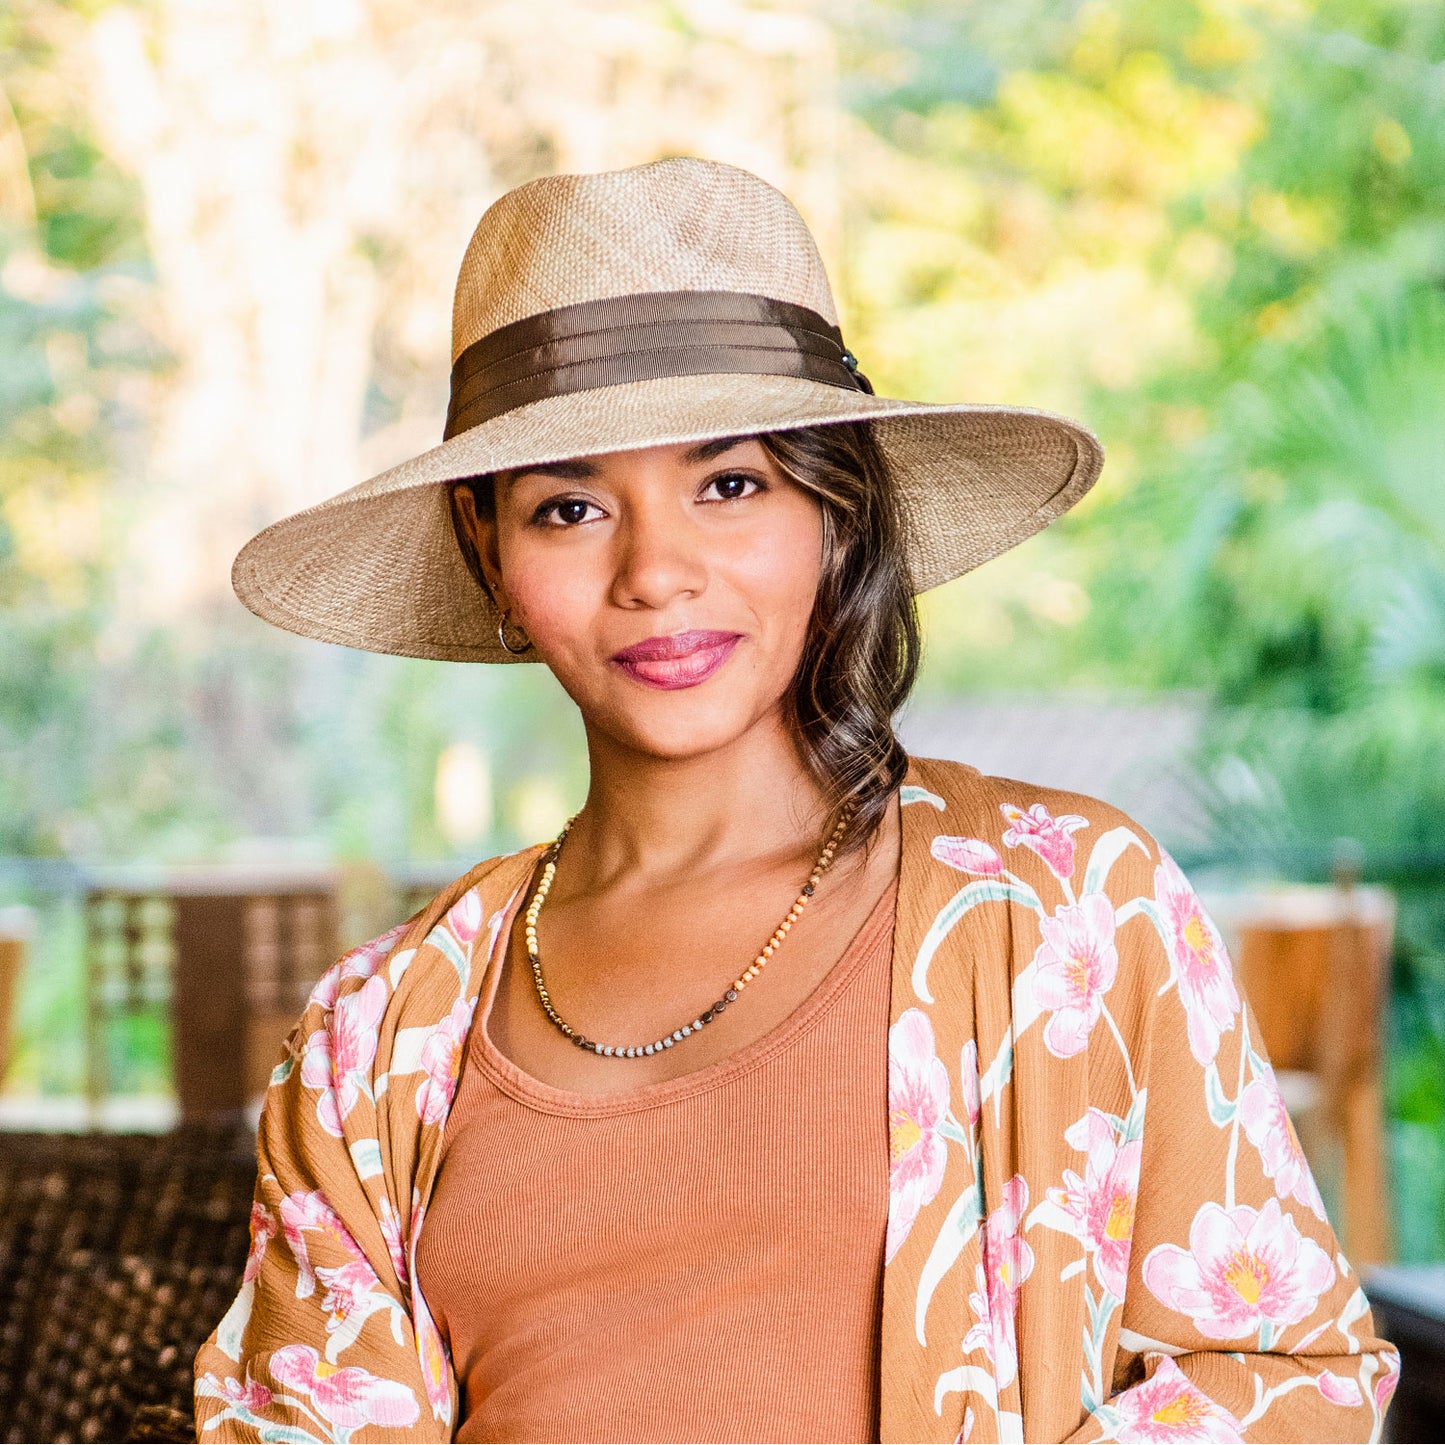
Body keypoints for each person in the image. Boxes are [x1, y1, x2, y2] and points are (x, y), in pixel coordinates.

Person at [194, 157, 1397, 1444]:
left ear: (834, 510)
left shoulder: (1063, 907)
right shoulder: (379, 1034)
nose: (655, 571)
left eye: (729, 484)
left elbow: (1286, 1379)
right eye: (568, 505)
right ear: (488, 551)